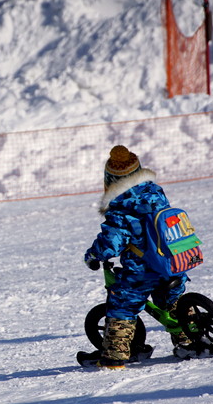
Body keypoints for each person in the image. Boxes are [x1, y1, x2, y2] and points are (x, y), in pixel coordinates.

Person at [80, 145, 191, 369]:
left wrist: (93, 255)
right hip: (171, 259)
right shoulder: (155, 192)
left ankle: (115, 355)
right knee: (171, 299)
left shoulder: (121, 205)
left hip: (144, 268)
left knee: (123, 303)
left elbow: (112, 241)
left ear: (110, 179)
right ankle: (190, 338)